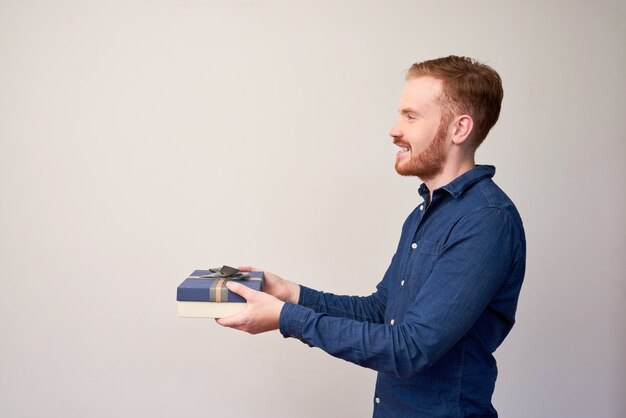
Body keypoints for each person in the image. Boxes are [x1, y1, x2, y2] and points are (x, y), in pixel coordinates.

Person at [217, 55, 526, 417]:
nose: (395, 129)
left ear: (459, 129)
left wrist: (284, 317)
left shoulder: (485, 221)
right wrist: (290, 293)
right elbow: (381, 312)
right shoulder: (424, 214)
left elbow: (409, 349)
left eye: (411, 117)